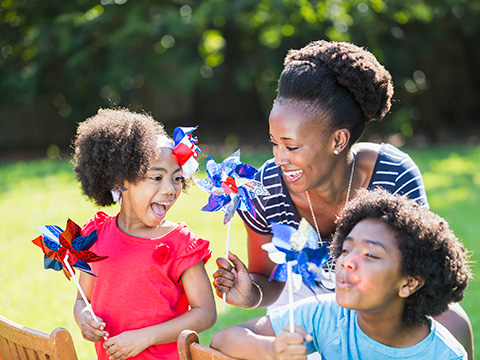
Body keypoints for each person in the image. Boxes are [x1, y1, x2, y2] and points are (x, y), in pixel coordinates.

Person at [212, 40, 473, 358]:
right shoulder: (265, 185)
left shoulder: (393, 173)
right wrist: (249, 293)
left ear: (338, 139)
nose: (279, 158)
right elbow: (268, 280)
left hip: (377, 287)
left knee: (454, 324)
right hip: (302, 298)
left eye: (292, 147)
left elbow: (415, 261)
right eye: (273, 143)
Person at [211, 188, 472, 360]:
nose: (346, 262)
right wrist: (271, 350)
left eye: (370, 255)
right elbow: (223, 339)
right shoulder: (325, 315)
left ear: (409, 283)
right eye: (346, 250)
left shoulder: (445, 355)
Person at [72, 108, 216, 360]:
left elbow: (205, 312)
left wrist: (146, 336)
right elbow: (82, 299)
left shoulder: (180, 242)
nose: (170, 189)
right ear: (120, 181)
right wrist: (84, 317)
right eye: (157, 177)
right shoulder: (94, 236)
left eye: (177, 179)